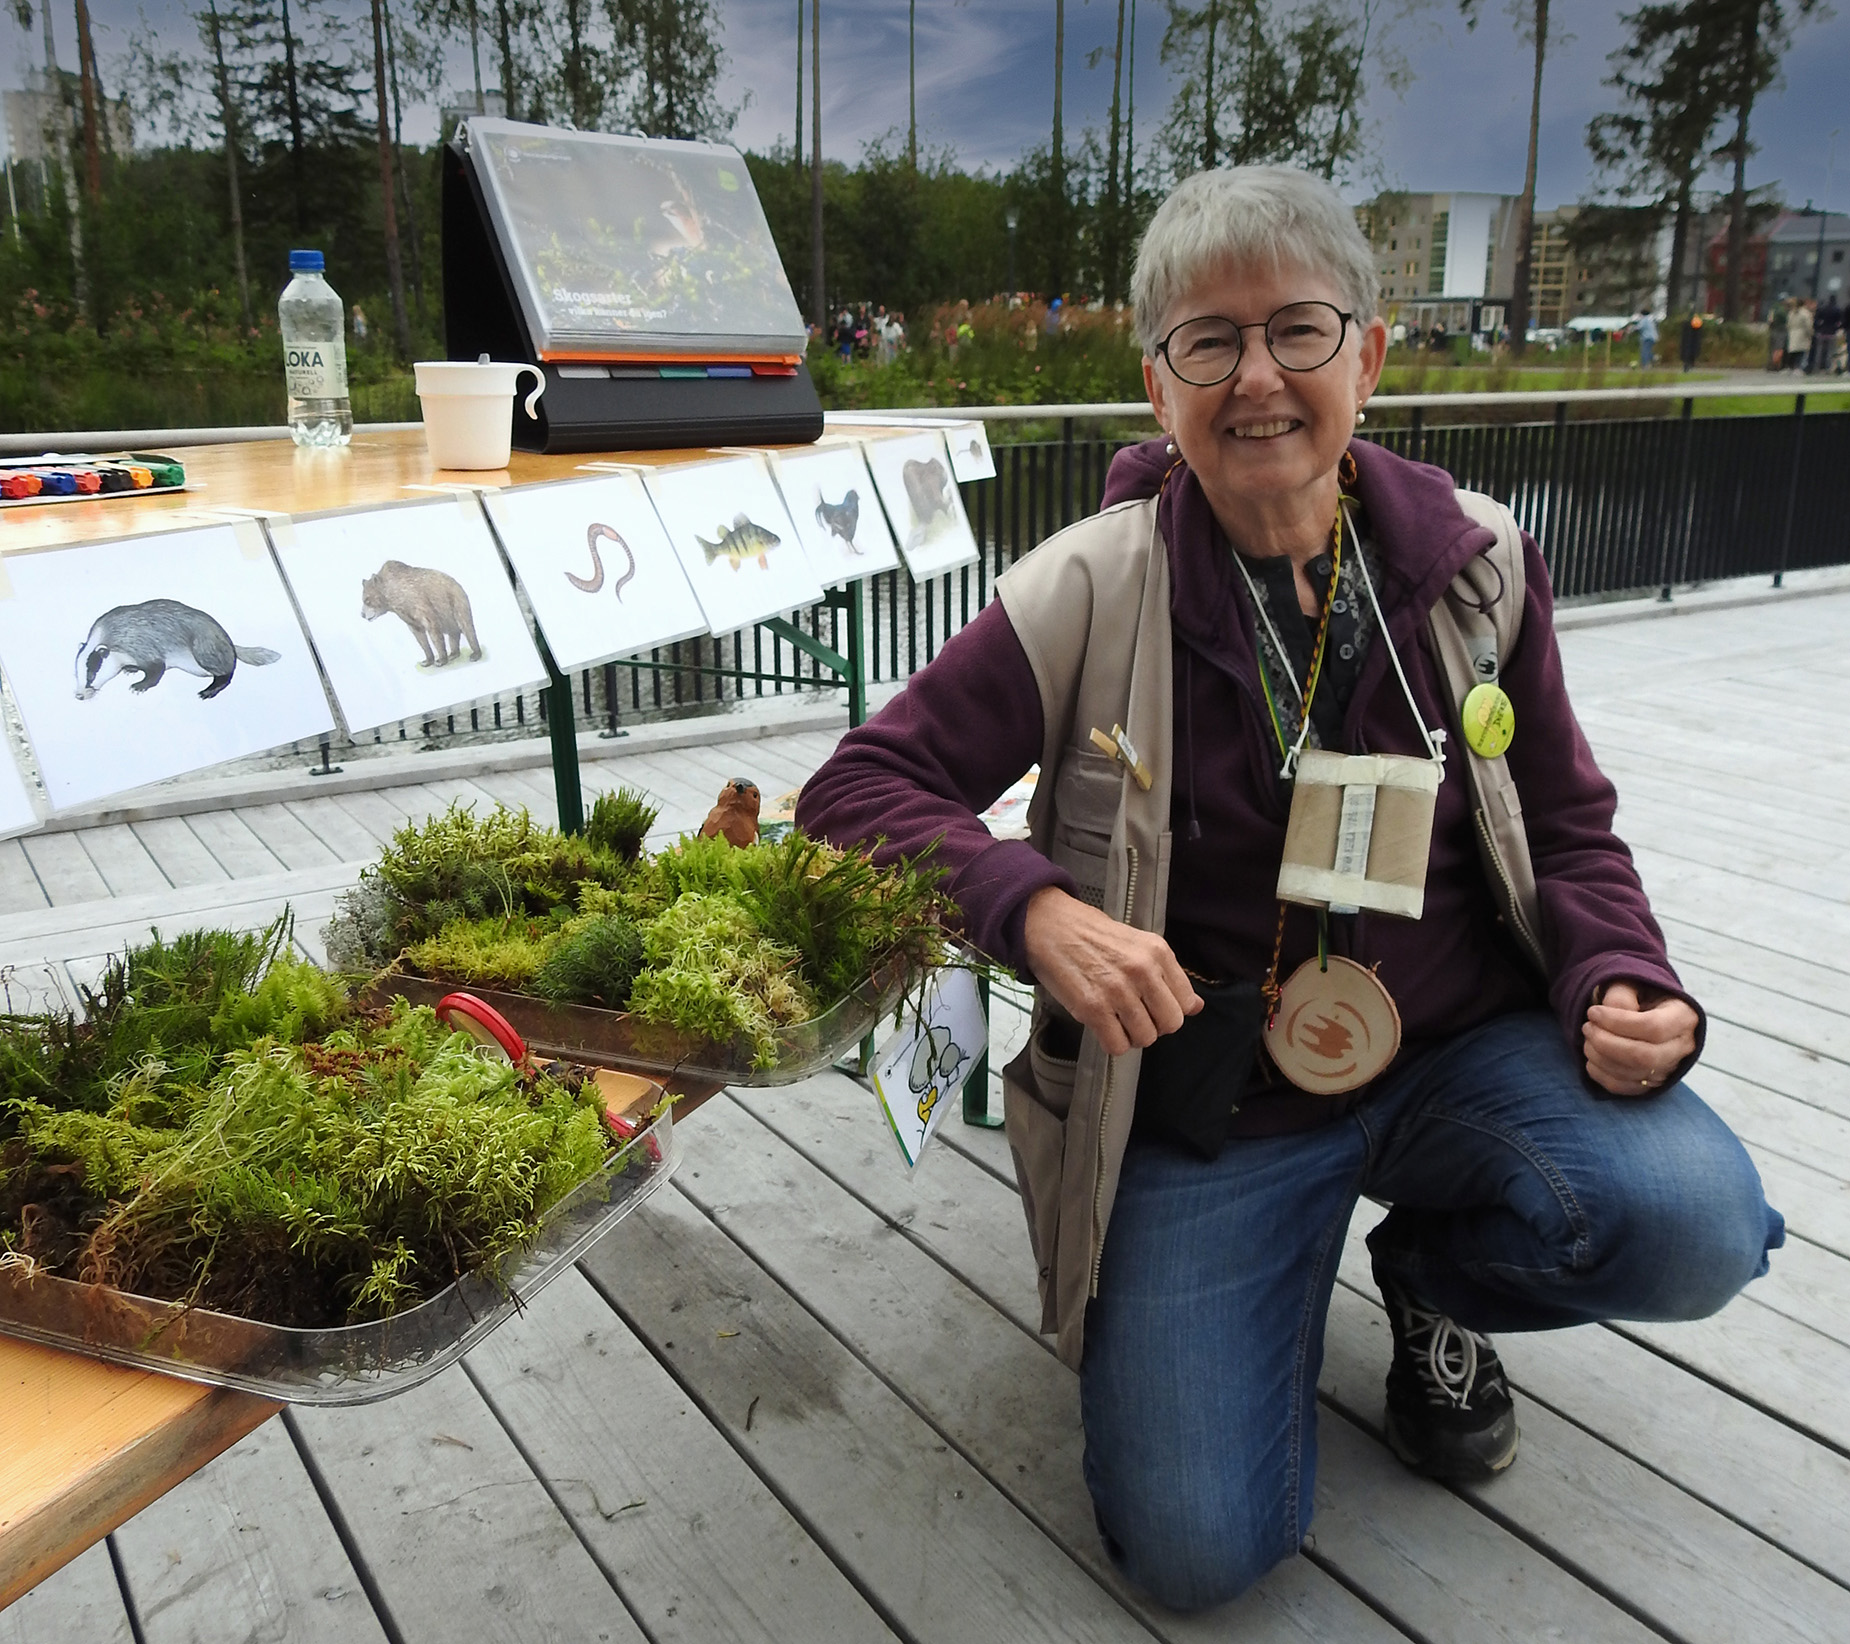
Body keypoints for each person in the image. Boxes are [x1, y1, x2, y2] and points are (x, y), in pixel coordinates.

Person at [796, 164, 1781, 1613]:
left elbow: (1566, 824)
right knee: (1197, 1547)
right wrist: (1035, 907)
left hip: (1458, 1046)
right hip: (1218, 1095)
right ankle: (1280, 1256)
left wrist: (1619, 978)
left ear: (1368, 356)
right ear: (1157, 385)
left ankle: (1434, 1281)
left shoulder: (1479, 568)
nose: (1256, 377)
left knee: (1695, 1220)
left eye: (1297, 331)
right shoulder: (1082, 588)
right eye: (1208, 341)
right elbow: (854, 797)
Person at [1784, 298, 1812, 373]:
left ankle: (1790, 367)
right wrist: (1810, 333)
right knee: (1801, 351)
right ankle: (1798, 368)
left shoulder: (1791, 312)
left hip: (1792, 332)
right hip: (1802, 333)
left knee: (1793, 351)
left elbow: (1788, 324)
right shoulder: (1805, 313)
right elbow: (1808, 325)